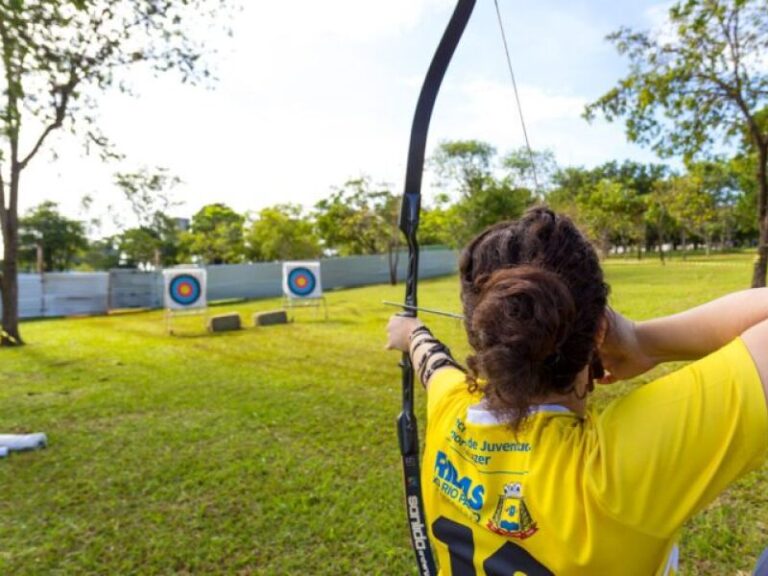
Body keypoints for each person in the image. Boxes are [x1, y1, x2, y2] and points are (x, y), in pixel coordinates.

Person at [386, 206, 768, 575]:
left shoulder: (450, 408)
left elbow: (430, 361)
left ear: (479, 330)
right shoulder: (614, 473)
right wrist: (639, 340)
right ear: (598, 332)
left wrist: (410, 332)